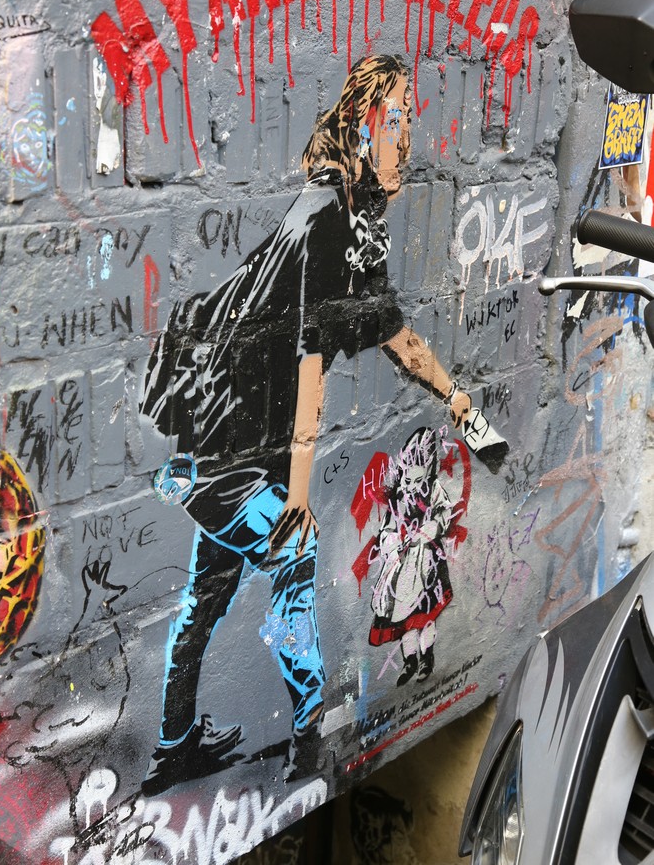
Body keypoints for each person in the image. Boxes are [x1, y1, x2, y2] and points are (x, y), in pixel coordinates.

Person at [139, 54, 472, 796]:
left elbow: (394, 333)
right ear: (360, 126)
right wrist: (295, 497)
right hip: (233, 450)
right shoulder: (325, 219)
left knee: (206, 592)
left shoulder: (351, 221)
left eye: (409, 119)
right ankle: (307, 747)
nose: (407, 137)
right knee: (294, 554)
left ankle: (172, 750)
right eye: (395, 119)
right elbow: (308, 363)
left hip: (225, 446)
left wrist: (455, 396)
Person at [369, 428, 454, 685]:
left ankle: (426, 656)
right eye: (407, 477)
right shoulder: (399, 497)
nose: (411, 483)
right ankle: (410, 660)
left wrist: (427, 531)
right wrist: (393, 543)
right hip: (402, 568)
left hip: (427, 563)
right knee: (404, 620)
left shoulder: (434, 490)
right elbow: (387, 530)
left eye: (417, 477)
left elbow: (444, 514)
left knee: (425, 615)